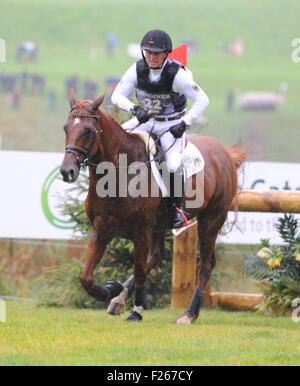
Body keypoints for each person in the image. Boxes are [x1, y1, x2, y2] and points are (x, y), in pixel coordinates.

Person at [111, 29, 209, 228]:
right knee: (115, 143)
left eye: (156, 53)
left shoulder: (178, 75)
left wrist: (186, 122)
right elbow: (116, 96)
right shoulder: (136, 69)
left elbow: (202, 99)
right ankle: (115, 199)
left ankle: (177, 209)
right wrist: (134, 109)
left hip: (172, 124)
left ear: (166, 54)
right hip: (146, 121)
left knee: (172, 165)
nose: (151, 57)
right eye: (148, 52)